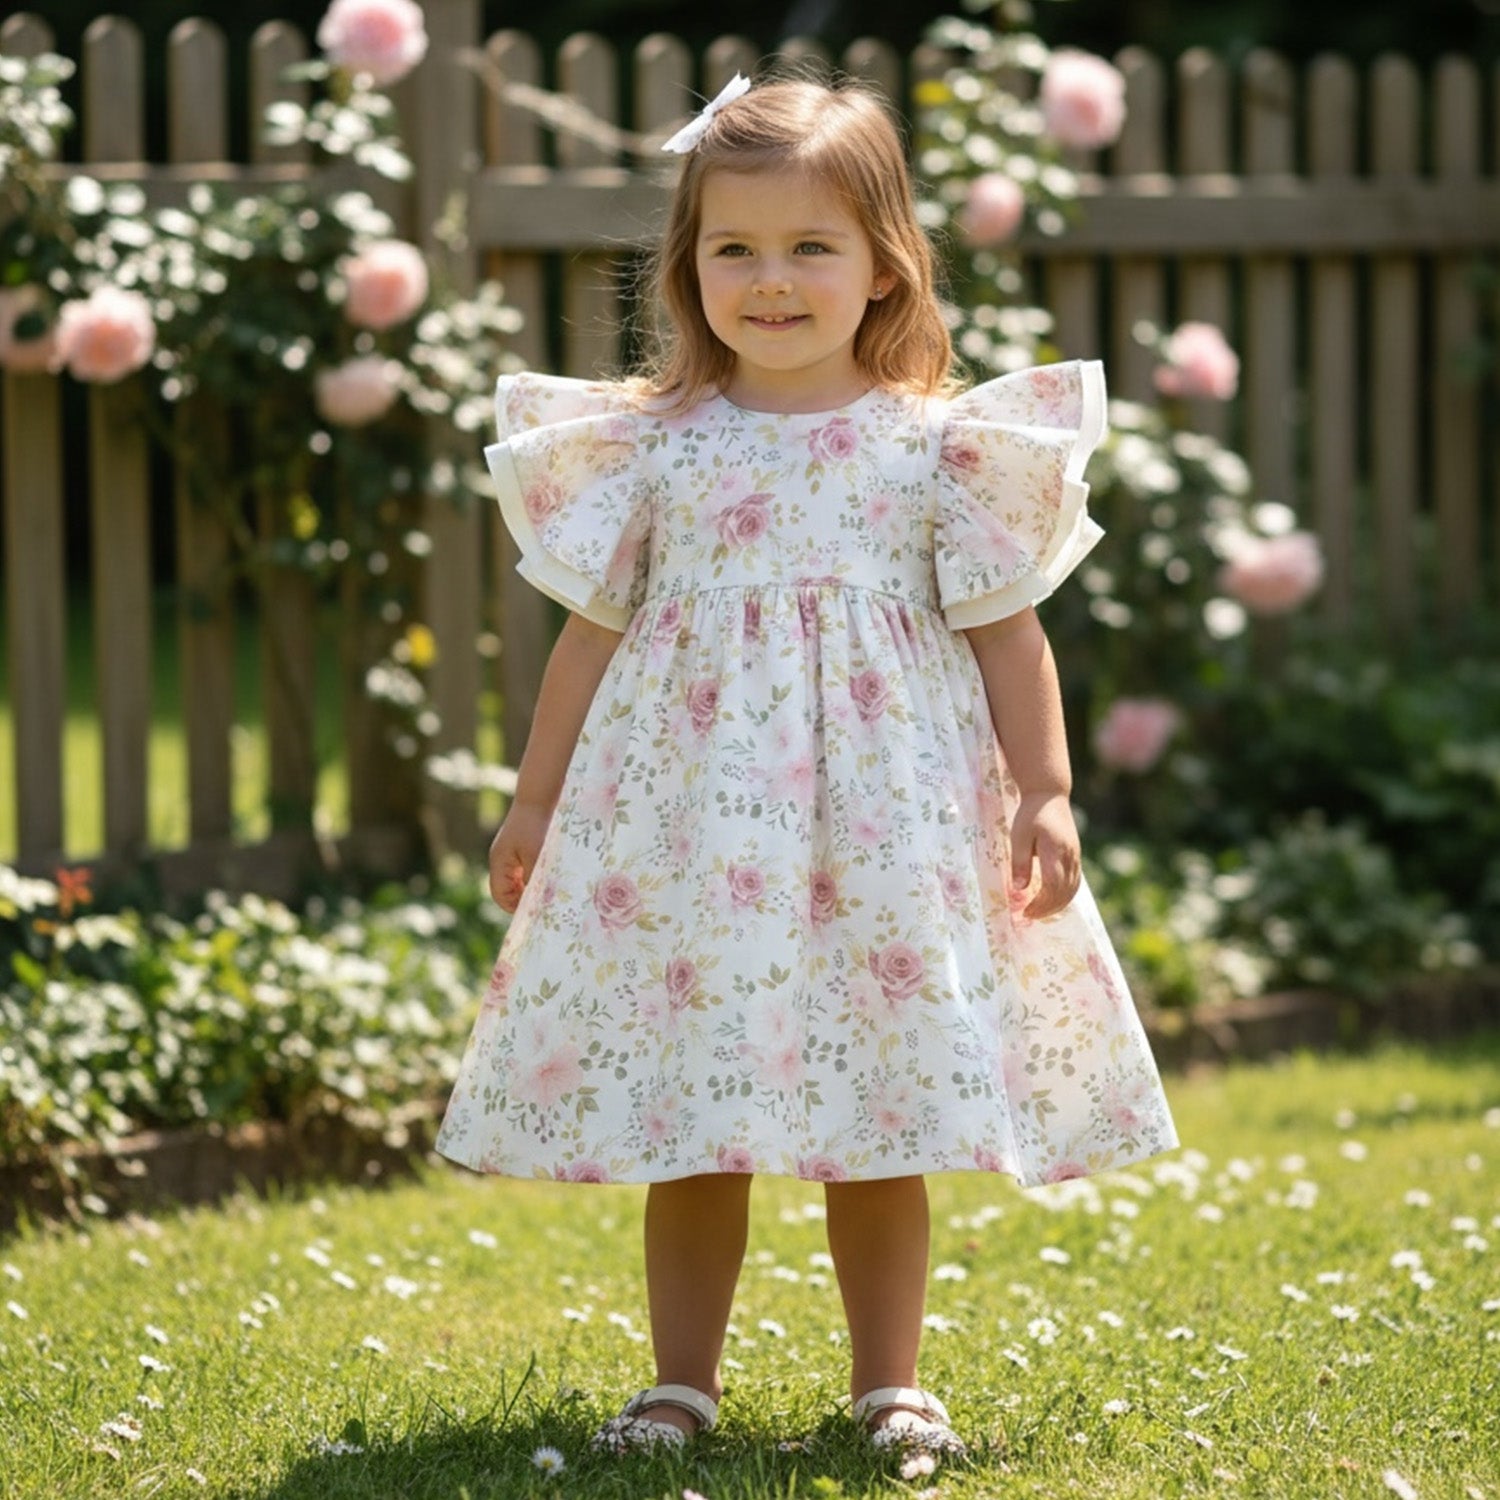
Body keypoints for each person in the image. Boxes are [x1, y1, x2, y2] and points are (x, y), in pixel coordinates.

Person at [435, 71, 1178, 1461]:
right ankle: (681, 1385)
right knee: (694, 1114)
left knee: (879, 1106)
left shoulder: (936, 449)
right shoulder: (660, 450)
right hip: (698, 834)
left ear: (885, 263)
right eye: (735, 248)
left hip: (883, 834)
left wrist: (1045, 791)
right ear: (689, 266)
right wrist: (535, 801)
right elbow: (589, 641)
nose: (770, 280)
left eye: (810, 247)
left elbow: (1010, 635)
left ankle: (889, 1382)